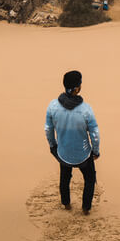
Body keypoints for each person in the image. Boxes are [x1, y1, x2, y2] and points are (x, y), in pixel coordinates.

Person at [45, 69, 100, 214]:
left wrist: (53, 146)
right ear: (77, 88)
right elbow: (95, 133)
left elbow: (48, 129)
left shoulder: (53, 106)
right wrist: (95, 150)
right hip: (83, 154)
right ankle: (86, 208)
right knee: (89, 178)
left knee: (65, 177)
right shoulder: (86, 109)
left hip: (63, 153)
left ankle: (66, 204)